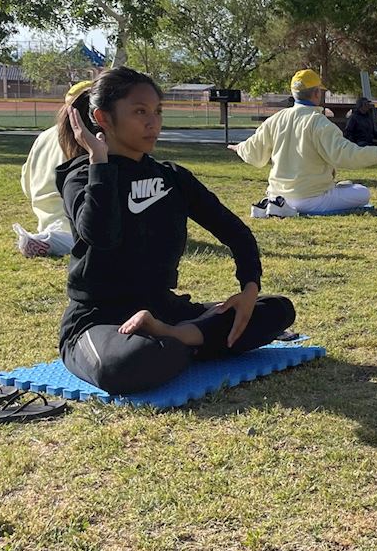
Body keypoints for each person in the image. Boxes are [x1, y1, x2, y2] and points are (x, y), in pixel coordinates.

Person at [55, 67, 296, 395]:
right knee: (123, 366)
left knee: (277, 310)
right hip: (99, 320)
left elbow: (236, 232)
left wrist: (249, 287)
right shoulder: (83, 177)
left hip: (165, 312)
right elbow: (101, 236)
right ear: (103, 118)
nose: (152, 123)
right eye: (140, 112)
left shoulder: (171, 177)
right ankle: (193, 339)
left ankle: (175, 336)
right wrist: (100, 162)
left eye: (157, 112)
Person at [232, 70, 377, 216]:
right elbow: (344, 153)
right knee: (363, 193)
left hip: (277, 195)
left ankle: (281, 206)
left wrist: (239, 147)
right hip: (312, 199)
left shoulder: (276, 119)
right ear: (316, 93)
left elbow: (253, 148)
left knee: (346, 187)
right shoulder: (318, 122)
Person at [14, 79, 94, 258]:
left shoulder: (44, 136)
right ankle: (53, 241)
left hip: (46, 219)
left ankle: (48, 238)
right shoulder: (90, 138)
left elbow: (27, 186)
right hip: (76, 224)